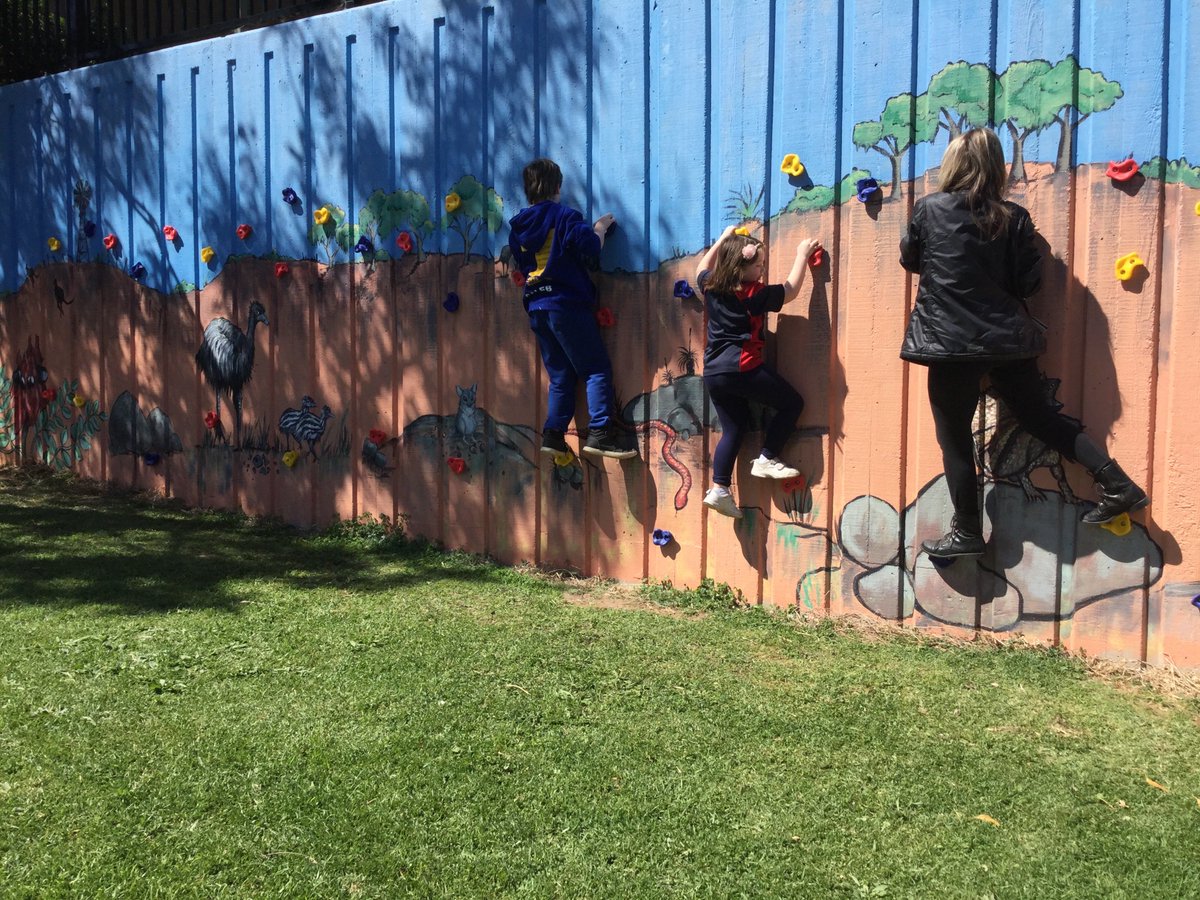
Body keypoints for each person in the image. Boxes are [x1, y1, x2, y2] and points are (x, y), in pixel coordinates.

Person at [899, 127, 1148, 559]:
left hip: (950, 345)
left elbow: (911, 259)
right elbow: (1029, 284)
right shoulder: (1013, 218)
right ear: (996, 167)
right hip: (1007, 340)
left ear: (953, 164)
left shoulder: (928, 210)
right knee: (1041, 419)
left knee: (955, 440)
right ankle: (1117, 484)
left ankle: (968, 533)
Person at [508, 158, 636, 460]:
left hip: (537, 306)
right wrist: (601, 228)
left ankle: (553, 434)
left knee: (562, 375)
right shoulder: (565, 217)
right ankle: (601, 433)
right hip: (565, 304)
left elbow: (523, 261)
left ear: (528, 190)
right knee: (594, 368)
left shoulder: (518, 228)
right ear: (557, 186)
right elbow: (590, 247)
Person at [696, 226, 821, 518]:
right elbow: (790, 291)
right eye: (758, 264)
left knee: (734, 428)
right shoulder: (753, 292)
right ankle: (766, 457)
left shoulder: (711, 284)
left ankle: (720, 489)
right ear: (741, 267)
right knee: (792, 403)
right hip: (741, 367)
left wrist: (723, 239)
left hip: (714, 372)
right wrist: (802, 255)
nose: (762, 269)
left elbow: (701, 267)